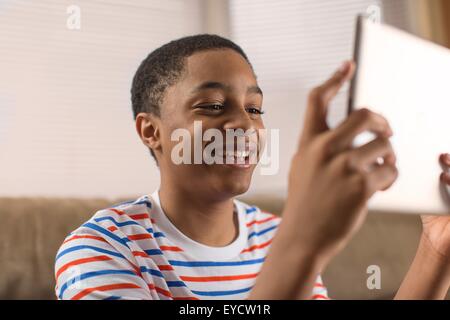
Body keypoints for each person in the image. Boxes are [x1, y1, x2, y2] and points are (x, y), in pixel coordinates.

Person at [54, 34, 450, 300]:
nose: (244, 125)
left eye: (255, 109)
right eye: (211, 106)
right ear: (151, 131)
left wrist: (437, 249)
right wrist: (303, 242)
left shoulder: (273, 235)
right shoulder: (100, 249)